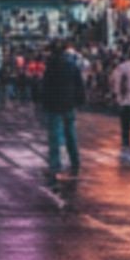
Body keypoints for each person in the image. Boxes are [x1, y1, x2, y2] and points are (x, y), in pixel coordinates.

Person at [40, 41, 85, 180]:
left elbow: (45, 86)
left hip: (54, 105)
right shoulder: (72, 65)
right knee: (70, 134)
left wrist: (43, 103)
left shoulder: (51, 66)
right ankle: (75, 162)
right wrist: (80, 100)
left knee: (54, 136)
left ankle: (55, 166)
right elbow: (79, 84)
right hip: (69, 104)